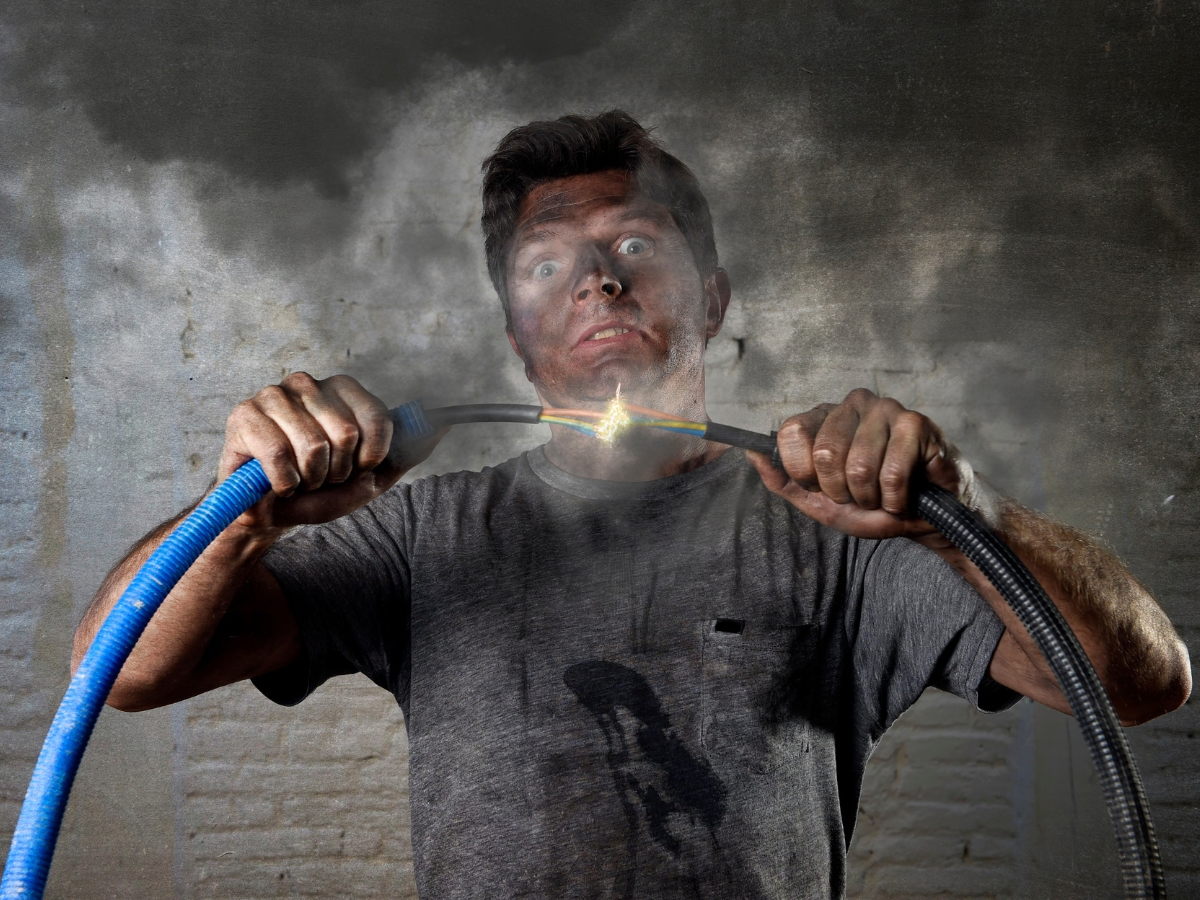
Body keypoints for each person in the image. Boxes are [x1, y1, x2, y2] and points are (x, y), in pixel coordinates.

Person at [74, 111, 1190, 899]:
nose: (598, 282)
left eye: (635, 248)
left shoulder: (841, 532)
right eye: (547, 267)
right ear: (516, 334)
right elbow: (117, 672)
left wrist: (965, 506)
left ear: (708, 298)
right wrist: (243, 514)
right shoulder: (425, 533)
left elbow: (1139, 683)